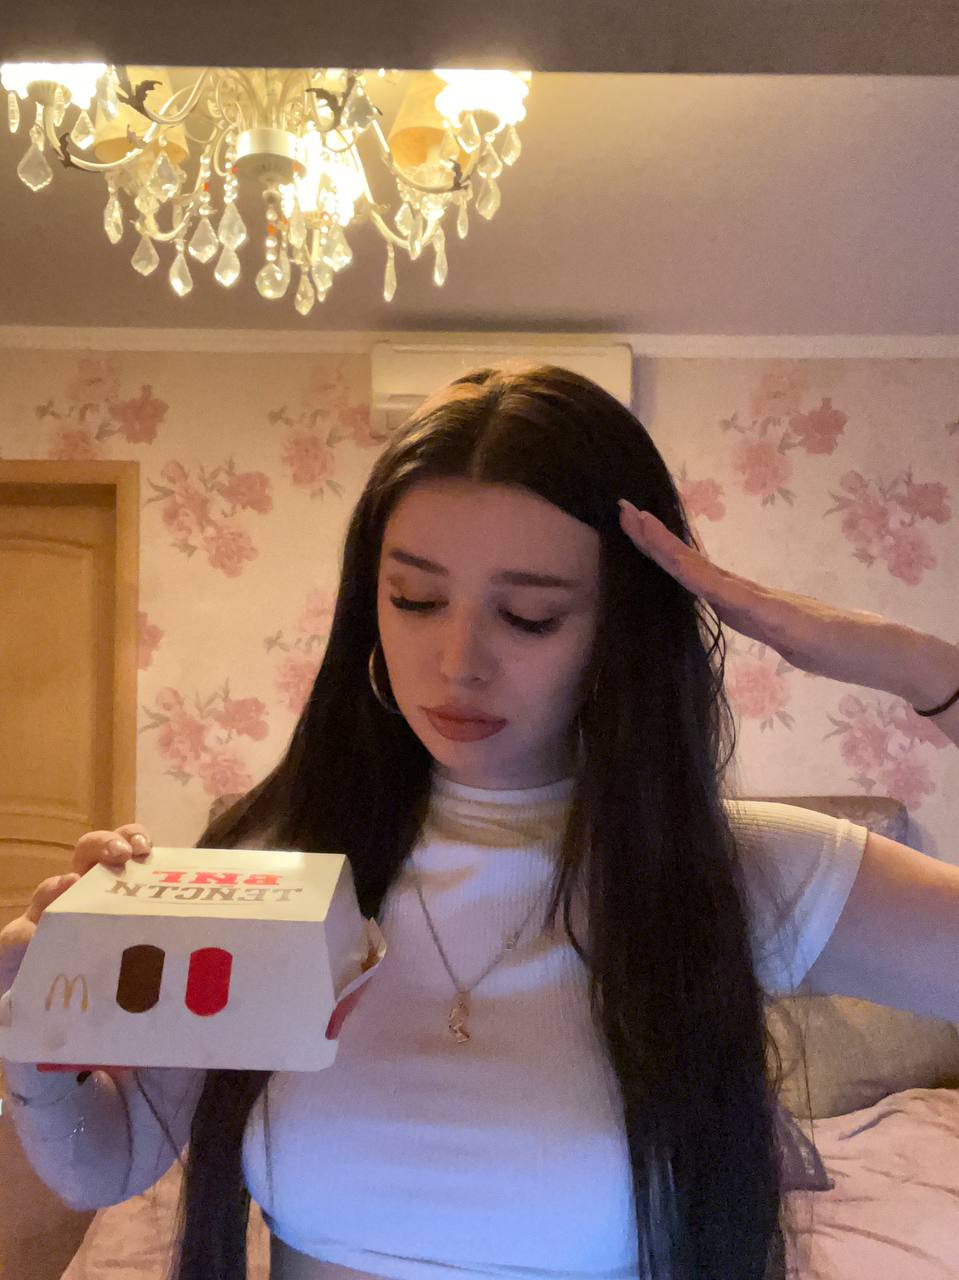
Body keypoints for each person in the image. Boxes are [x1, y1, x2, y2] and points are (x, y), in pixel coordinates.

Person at [1, 362, 958, 1280]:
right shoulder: (276, 865)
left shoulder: (735, 869)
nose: (458, 662)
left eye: (529, 616)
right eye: (415, 600)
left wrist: (920, 669)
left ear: (618, 629)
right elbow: (110, 1159)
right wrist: (37, 1031)